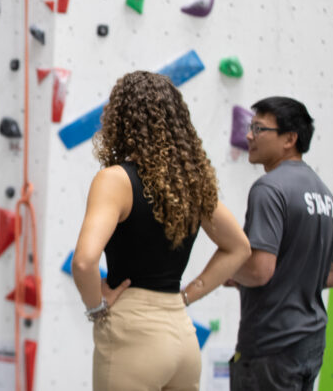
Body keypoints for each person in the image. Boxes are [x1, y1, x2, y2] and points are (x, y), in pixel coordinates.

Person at [72, 71, 250, 391]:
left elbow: (84, 261)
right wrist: (186, 296)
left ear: (120, 119)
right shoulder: (192, 186)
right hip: (182, 337)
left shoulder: (115, 180)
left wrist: (96, 306)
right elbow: (239, 247)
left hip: (133, 336)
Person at [227, 96, 333, 390]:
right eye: (251, 127)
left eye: (260, 129)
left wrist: (229, 270)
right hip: (310, 343)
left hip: (271, 344)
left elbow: (260, 271)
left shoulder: (269, 188)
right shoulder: (324, 194)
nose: (249, 135)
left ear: (290, 138)